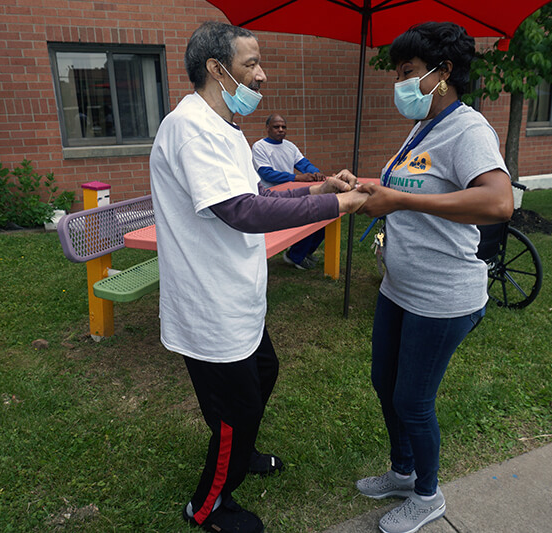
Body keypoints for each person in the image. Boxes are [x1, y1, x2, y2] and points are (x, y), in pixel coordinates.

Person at [148, 21, 367, 533]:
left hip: (237, 297)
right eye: (251, 64)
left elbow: (261, 197)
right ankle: (208, 505)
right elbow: (241, 212)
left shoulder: (226, 129)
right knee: (236, 408)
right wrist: (337, 205)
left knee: (262, 375)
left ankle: (238, 451)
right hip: (210, 305)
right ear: (216, 69)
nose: (262, 75)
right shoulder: (189, 128)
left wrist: (316, 191)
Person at [347, 22, 514, 533]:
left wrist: (399, 199)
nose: (400, 84)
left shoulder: (469, 129)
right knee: (383, 381)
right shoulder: (425, 127)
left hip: (442, 296)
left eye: (408, 73)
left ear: (443, 73)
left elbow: (498, 200)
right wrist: (368, 186)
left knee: (412, 401)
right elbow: (413, 185)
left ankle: (428, 494)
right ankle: (403, 470)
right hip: (400, 287)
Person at [252, 114, 327, 269]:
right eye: (276, 127)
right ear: (267, 128)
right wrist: (297, 178)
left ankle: (302, 252)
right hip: (270, 196)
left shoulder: (290, 146)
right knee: (309, 217)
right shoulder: (259, 147)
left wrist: (315, 173)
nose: (281, 130)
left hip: (292, 193)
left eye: (283, 127)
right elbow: (267, 173)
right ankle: (296, 257)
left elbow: (304, 164)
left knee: (322, 217)